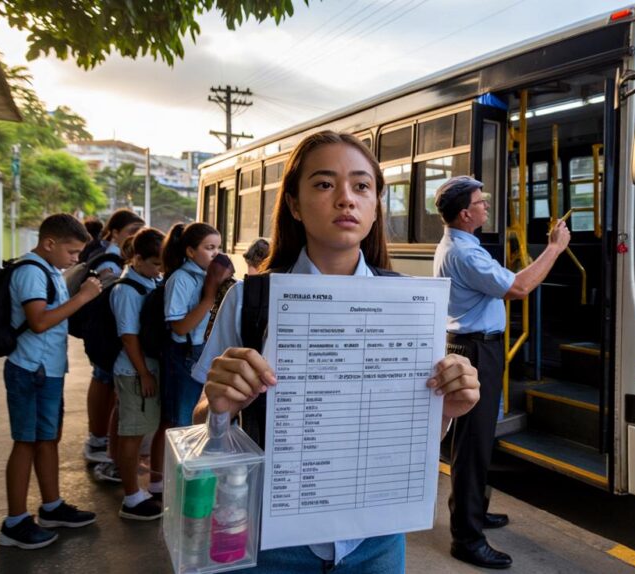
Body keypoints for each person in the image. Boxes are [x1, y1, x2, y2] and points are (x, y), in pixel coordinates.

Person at [191, 131, 481, 572]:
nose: (346, 199)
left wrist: (446, 410)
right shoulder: (249, 302)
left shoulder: (411, 306)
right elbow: (201, 426)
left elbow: (408, 437)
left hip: (376, 543)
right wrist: (220, 408)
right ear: (294, 204)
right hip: (271, 542)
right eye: (325, 184)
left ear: (376, 204)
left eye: (362, 186)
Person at [433, 175, 570, 569]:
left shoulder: (462, 245)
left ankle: (474, 511)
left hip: (476, 347)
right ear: (465, 213)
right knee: (473, 444)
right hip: (476, 349)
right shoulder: (466, 254)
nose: (486, 206)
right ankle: (467, 538)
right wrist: (555, 248)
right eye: (481, 201)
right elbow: (520, 287)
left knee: (477, 439)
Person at [0, 214, 102, 550]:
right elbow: (39, 321)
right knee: (25, 442)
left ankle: (52, 506)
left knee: (47, 440)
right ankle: (14, 522)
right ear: (49, 243)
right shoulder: (31, 271)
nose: (75, 258)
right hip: (30, 370)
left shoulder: (50, 269)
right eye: (72, 252)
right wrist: (83, 297)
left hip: (47, 370)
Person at [109, 227, 167, 520]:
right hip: (132, 372)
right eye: (155, 264)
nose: (159, 270)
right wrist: (144, 373)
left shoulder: (147, 282)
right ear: (138, 259)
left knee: (136, 428)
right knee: (131, 433)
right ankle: (131, 497)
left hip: (143, 369)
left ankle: (138, 489)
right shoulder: (127, 291)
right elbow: (129, 338)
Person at [89, 209, 145, 482]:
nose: (136, 236)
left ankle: (108, 450)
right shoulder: (112, 265)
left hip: (114, 345)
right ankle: (107, 451)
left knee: (117, 402)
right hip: (113, 346)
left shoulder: (118, 262)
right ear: (114, 233)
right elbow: (127, 330)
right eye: (132, 231)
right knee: (116, 402)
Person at [160, 222, 233, 430]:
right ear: (191, 252)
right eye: (209, 248)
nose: (216, 254)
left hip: (203, 351)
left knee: (198, 416)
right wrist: (209, 297)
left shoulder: (207, 275)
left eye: (218, 248)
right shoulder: (180, 279)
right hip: (186, 354)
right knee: (182, 421)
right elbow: (180, 328)